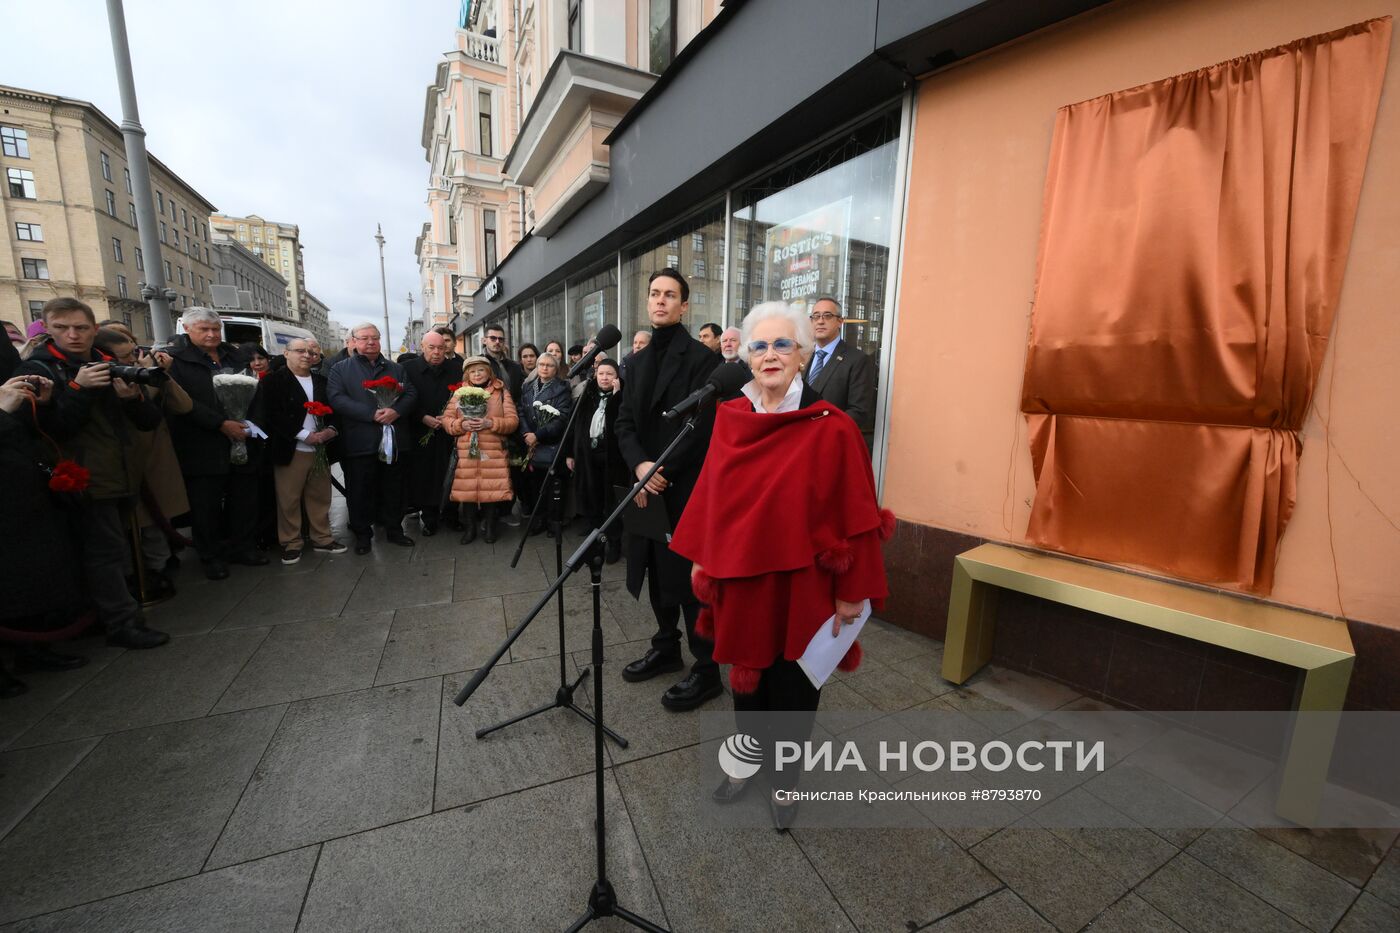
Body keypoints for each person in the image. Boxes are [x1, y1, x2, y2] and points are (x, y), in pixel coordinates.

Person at [671, 300, 891, 830]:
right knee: (747, 682)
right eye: (760, 346)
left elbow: (858, 514)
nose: (771, 355)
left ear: (803, 353)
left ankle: (786, 780)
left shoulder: (832, 427)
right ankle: (746, 766)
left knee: (794, 689)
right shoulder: (730, 419)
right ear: (747, 358)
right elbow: (712, 497)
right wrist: (706, 560)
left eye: (783, 344)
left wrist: (851, 590)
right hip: (746, 580)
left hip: (805, 583)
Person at [15, 298, 170, 649]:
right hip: (81, 477)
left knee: (113, 548)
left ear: (93, 329)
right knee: (105, 551)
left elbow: (148, 422)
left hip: (121, 471)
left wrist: (133, 398)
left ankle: (109, 614)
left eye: (81, 328)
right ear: (47, 329)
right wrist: (78, 390)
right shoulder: (40, 370)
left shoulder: (108, 363)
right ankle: (121, 623)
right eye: (62, 328)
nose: (73, 335)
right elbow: (51, 429)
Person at [614, 268, 723, 711]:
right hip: (645, 485)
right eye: (654, 294)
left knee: (688, 580)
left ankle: (706, 669)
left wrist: (660, 471)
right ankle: (665, 645)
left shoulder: (702, 359)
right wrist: (640, 465)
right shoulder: (635, 361)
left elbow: (703, 428)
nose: (660, 301)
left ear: (684, 305)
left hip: (684, 488)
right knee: (655, 572)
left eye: (670, 295)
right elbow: (624, 422)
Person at [0, 372, 89, 695]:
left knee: (30, 577)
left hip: (26, 499)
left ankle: (34, 649)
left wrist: (46, 403)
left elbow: (49, 431)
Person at [164, 307, 265, 580]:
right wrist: (221, 424)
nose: (211, 334)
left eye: (215, 329)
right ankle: (211, 556)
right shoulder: (175, 361)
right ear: (186, 329)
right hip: (202, 444)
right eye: (203, 329)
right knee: (206, 505)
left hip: (242, 439)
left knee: (244, 499)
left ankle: (243, 547)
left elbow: (255, 390)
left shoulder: (236, 355)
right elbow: (182, 401)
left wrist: (247, 423)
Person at [92, 327, 190, 599]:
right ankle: (135, 579)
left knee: (155, 524)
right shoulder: (96, 380)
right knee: (129, 531)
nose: (133, 361)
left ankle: (157, 570)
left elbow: (183, 406)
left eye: (134, 352)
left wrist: (159, 377)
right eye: (125, 357)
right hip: (121, 468)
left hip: (154, 464)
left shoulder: (146, 373)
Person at [327, 322, 419, 554]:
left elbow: (410, 393)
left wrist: (395, 411)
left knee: (393, 488)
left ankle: (394, 530)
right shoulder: (341, 369)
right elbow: (337, 398)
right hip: (360, 442)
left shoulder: (395, 368)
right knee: (359, 491)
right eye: (365, 338)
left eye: (375, 338)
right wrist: (371, 414)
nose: (371, 342)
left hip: (392, 441)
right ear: (354, 341)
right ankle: (362, 535)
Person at [257, 337, 346, 563]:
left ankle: (323, 538)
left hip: (319, 449)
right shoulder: (272, 382)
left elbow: (335, 411)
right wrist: (305, 435)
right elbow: (272, 414)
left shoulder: (321, 381)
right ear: (286, 353)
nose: (307, 355)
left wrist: (331, 430)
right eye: (300, 351)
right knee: (289, 498)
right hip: (291, 447)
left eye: (311, 352)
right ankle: (291, 542)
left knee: (320, 496)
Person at [442, 355, 519, 544]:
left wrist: (489, 422)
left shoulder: (500, 392)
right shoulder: (459, 393)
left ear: (489, 372)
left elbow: (512, 421)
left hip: (492, 450)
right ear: (467, 374)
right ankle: (470, 529)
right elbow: (447, 420)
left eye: (481, 370)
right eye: (473, 371)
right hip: (467, 449)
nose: (477, 374)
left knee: (490, 490)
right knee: (467, 490)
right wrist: (462, 425)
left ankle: (490, 528)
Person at [402, 331, 464, 535]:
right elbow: (402, 399)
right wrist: (422, 417)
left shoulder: (456, 368)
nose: (437, 352)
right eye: (432, 348)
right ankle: (429, 518)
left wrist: (449, 418)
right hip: (421, 431)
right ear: (422, 347)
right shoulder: (408, 369)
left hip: (450, 431)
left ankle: (451, 516)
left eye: (441, 348)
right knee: (425, 476)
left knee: (451, 472)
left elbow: (462, 398)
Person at [566, 359, 626, 563]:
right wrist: (570, 453)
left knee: (612, 503)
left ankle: (614, 542)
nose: (605, 377)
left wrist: (617, 398)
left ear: (617, 377)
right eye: (601, 373)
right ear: (595, 375)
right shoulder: (587, 395)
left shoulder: (623, 397)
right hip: (587, 458)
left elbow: (620, 425)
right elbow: (574, 426)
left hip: (613, 460)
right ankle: (595, 542)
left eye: (610, 373)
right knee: (592, 499)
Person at [516, 352, 573, 536]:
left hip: (551, 444)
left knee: (553, 486)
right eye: (541, 365)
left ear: (556, 369)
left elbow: (562, 418)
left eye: (549, 365)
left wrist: (538, 435)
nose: (544, 368)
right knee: (534, 485)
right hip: (531, 443)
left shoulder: (562, 388)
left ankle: (553, 521)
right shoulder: (527, 387)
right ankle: (538, 519)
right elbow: (521, 411)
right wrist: (526, 433)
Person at [804, 297, 876, 438]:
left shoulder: (857, 360)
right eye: (816, 316)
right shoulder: (804, 356)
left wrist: (823, 430)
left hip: (830, 441)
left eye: (827, 316)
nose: (820, 321)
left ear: (840, 321)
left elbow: (859, 412)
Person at [481, 322, 524, 405]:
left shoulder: (515, 367)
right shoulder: (477, 363)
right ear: (484, 340)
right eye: (493, 338)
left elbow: (519, 395)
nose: (497, 342)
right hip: (487, 413)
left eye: (501, 339)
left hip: (512, 412)